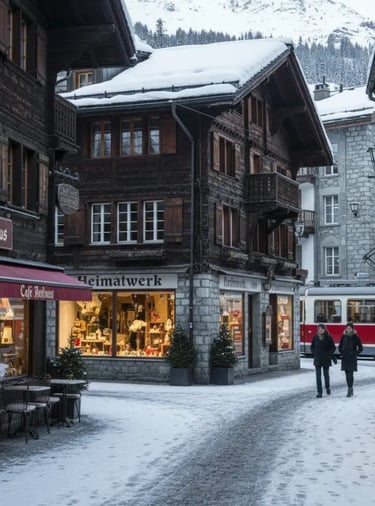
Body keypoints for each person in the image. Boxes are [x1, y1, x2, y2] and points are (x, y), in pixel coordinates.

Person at [310, 323, 336, 398]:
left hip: (326, 359)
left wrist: (329, 354)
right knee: (318, 376)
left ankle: (327, 387)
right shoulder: (315, 337)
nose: (320, 330)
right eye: (319, 329)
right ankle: (319, 392)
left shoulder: (328, 337)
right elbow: (312, 347)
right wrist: (314, 353)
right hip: (317, 359)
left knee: (326, 375)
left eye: (321, 329)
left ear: (325, 329)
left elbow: (333, 348)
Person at [338, 322, 363, 397]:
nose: (348, 329)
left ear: (352, 329)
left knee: (350, 374)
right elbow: (340, 346)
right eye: (347, 328)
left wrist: (355, 353)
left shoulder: (356, 337)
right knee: (346, 374)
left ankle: (350, 389)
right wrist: (342, 353)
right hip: (345, 358)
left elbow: (361, 348)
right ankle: (350, 388)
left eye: (350, 328)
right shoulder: (343, 336)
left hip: (352, 358)